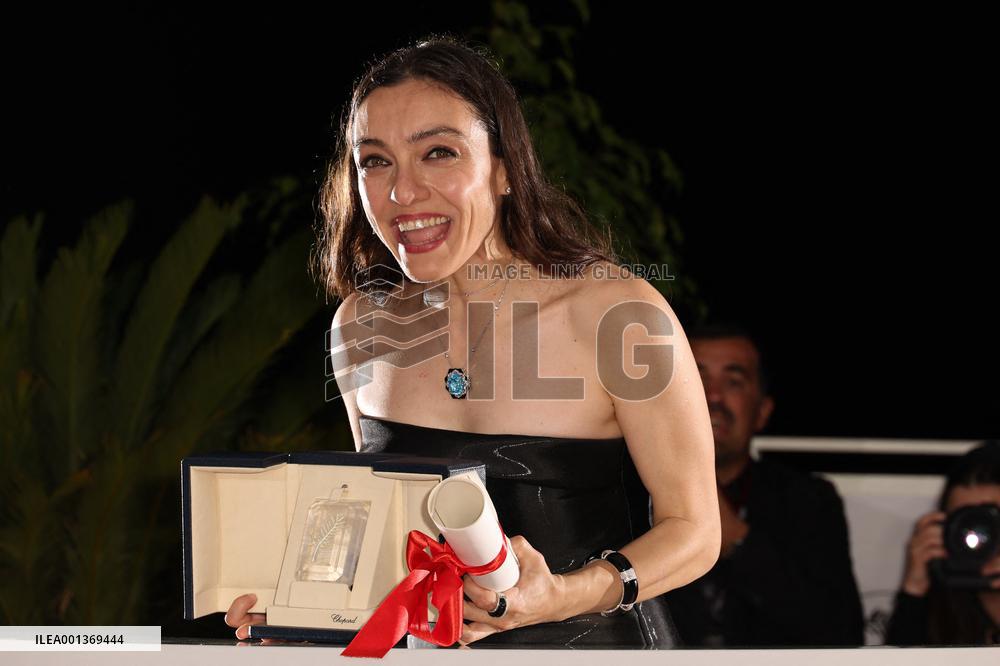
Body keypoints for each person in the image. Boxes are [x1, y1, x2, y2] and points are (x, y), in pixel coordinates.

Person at [225, 36, 720, 648]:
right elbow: (392, 544)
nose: (402, 193)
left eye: (438, 152)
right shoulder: (360, 326)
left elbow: (695, 532)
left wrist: (563, 595)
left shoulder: (619, 317)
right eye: (374, 161)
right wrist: (303, 613)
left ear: (506, 169)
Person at [662, 323, 865, 646]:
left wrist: (738, 542)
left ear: (762, 411)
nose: (712, 396)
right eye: (697, 377)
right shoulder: (629, 494)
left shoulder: (808, 500)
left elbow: (840, 631)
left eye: (733, 381)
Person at [885, 441, 1000, 645]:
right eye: (966, 521)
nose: (982, 535)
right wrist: (914, 590)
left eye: (992, 521)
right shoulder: (946, 609)